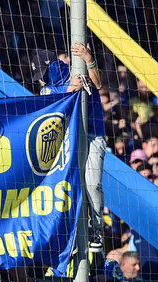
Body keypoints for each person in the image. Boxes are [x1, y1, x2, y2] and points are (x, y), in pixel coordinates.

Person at [30, 42, 106, 252]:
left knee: (93, 185)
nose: (43, 78)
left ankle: (96, 230)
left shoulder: (78, 69)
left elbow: (97, 85)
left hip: (92, 135)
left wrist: (89, 60)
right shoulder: (47, 88)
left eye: (45, 72)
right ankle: (69, 234)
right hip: (65, 141)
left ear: (56, 64)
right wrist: (71, 89)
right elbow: (51, 104)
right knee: (66, 188)